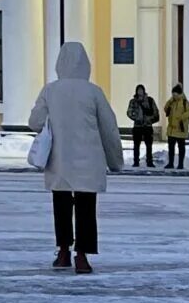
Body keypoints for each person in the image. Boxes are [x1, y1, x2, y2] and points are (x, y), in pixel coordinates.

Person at [28, 42, 124, 273]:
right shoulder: (94, 92)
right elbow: (108, 128)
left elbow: (34, 122)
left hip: (59, 159)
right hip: (88, 160)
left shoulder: (50, 90)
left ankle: (63, 252)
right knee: (86, 208)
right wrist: (115, 161)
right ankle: (82, 256)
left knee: (61, 206)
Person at [161, 80, 189, 171]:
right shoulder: (172, 102)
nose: (174, 96)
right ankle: (171, 163)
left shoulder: (184, 102)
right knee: (171, 147)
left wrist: (181, 117)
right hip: (172, 129)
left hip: (180, 128)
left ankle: (180, 164)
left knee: (181, 147)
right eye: (173, 94)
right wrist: (170, 100)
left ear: (179, 94)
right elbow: (165, 109)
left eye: (175, 94)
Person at [127, 82, 161, 169]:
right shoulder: (133, 101)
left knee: (149, 145)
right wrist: (136, 118)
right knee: (136, 145)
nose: (140, 92)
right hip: (137, 126)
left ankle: (149, 161)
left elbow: (155, 111)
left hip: (147, 126)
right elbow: (129, 112)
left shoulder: (149, 100)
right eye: (138, 90)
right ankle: (136, 161)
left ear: (144, 91)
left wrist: (149, 119)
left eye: (141, 90)